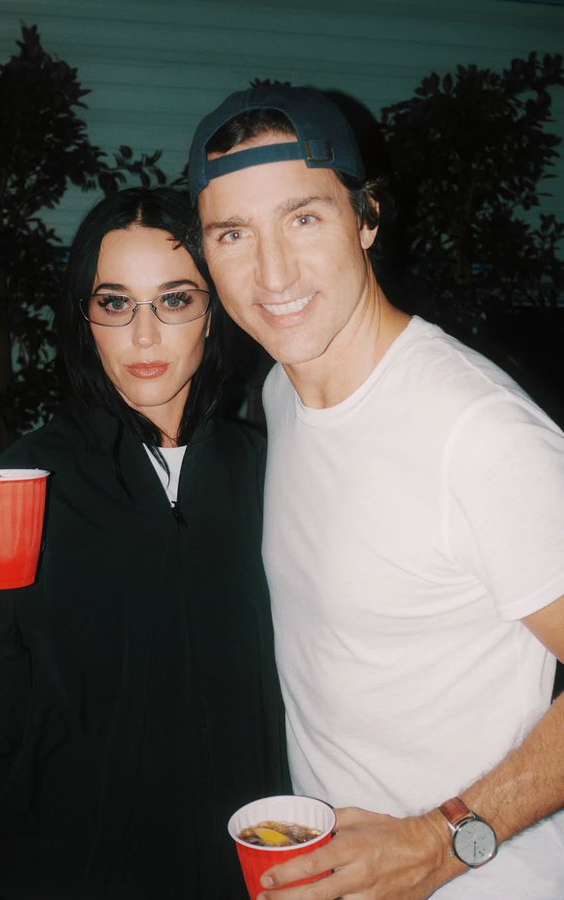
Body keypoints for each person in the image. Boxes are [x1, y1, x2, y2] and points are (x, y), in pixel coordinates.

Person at [186, 84, 564, 898]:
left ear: (366, 219)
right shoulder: (281, 392)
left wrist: (440, 842)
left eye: (303, 218)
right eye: (233, 234)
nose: (272, 273)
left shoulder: (479, 434)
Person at [0, 186, 290, 900]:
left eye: (175, 300)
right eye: (115, 303)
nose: (144, 336)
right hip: (74, 870)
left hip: (247, 862)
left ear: (214, 313)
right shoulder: (27, 482)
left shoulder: (269, 469)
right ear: (85, 320)